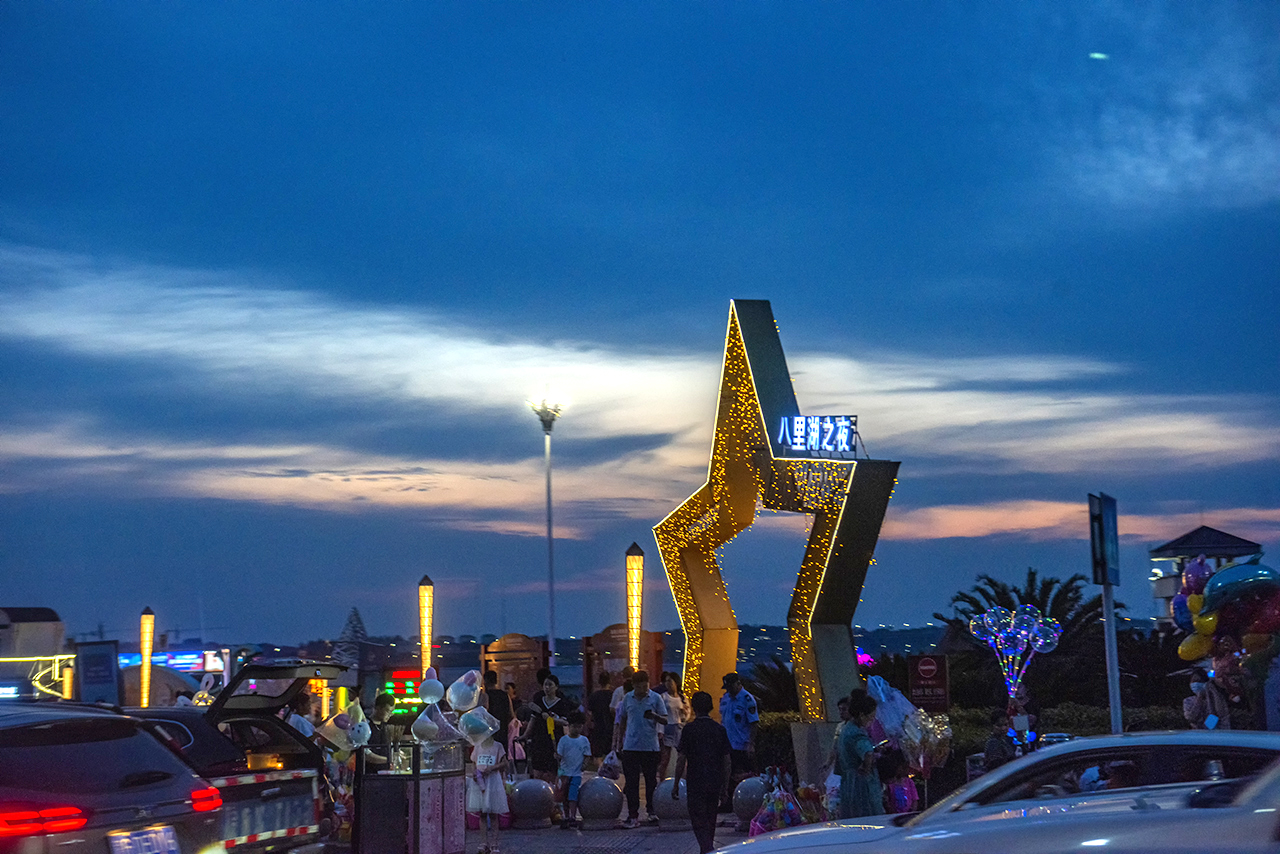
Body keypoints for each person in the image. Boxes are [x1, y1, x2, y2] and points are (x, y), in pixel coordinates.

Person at [671, 691, 731, 854]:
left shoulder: (689, 730)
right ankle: (707, 848)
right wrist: (725, 787)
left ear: (695, 708)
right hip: (714, 779)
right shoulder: (719, 730)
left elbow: (681, 759)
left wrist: (676, 783)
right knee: (711, 817)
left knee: (698, 818)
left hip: (696, 780)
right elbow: (726, 761)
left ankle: (706, 848)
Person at [615, 670, 668, 828]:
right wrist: (619, 741)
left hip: (650, 746)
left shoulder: (656, 698)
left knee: (651, 781)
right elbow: (622, 719)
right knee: (632, 782)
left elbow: (665, 720)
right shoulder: (627, 698)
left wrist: (654, 716)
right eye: (639, 687)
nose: (642, 690)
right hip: (631, 746)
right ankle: (633, 815)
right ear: (633, 686)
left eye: (645, 686)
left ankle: (651, 811)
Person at [836, 689, 883, 818]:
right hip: (861, 785)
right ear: (862, 715)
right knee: (868, 820)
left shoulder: (846, 729)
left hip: (849, 781)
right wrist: (867, 767)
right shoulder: (857, 733)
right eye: (871, 717)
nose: (872, 721)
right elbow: (867, 752)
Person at [521, 674, 575, 784]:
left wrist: (551, 719)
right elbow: (533, 720)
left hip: (554, 741)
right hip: (539, 740)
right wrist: (525, 736)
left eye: (550, 685)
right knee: (537, 772)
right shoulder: (539, 702)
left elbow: (565, 722)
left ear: (556, 687)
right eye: (545, 685)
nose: (547, 687)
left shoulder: (562, 703)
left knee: (552, 773)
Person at [467, 730, 508, 854]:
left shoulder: (498, 746)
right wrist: (475, 772)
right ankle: (483, 842)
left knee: (493, 813)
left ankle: (495, 842)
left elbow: (505, 763)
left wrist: (493, 768)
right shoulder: (478, 746)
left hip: (493, 780)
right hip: (480, 781)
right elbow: (474, 762)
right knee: (482, 813)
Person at [719, 672, 759, 779]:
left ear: (738, 684)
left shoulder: (747, 699)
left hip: (741, 745)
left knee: (742, 775)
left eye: (731, 687)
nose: (729, 691)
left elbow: (754, 723)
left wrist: (751, 744)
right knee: (727, 775)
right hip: (727, 744)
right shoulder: (726, 698)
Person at [556, 712, 591, 829]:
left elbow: (587, 755)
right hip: (564, 773)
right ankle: (566, 816)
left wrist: (585, 764)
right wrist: (557, 757)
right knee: (564, 796)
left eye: (579, 726)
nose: (576, 729)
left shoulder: (584, 740)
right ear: (569, 726)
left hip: (576, 773)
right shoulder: (563, 740)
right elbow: (559, 755)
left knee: (573, 795)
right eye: (574, 726)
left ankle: (572, 816)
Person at [659, 673, 688, 778]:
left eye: (670, 681)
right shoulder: (663, 697)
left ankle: (681, 778)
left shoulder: (682, 697)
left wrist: (683, 714)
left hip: (678, 727)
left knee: (681, 756)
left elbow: (687, 713)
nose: (668, 684)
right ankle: (662, 780)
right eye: (666, 681)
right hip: (667, 727)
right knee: (665, 757)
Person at [587, 671, 615, 766]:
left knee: (597, 755)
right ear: (610, 681)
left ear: (599, 682)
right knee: (611, 754)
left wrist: (587, 728)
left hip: (598, 728)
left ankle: (600, 773)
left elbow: (589, 714)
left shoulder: (594, 696)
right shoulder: (613, 695)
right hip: (611, 728)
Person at [365, 693, 399, 768]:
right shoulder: (365, 726)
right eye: (387, 711)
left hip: (385, 773)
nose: (389, 715)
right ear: (377, 708)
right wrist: (390, 759)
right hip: (369, 774)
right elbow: (366, 755)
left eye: (391, 712)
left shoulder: (386, 728)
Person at [878, 750, 917, 814]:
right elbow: (887, 801)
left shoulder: (909, 782)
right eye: (904, 767)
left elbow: (915, 799)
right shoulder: (888, 785)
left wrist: (912, 811)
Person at [483, 671, 513, 750]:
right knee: (503, 755)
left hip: (490, 733)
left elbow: (485, 712)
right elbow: (511, 714)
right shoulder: (505, 695)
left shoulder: (486, 696)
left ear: (485, 681)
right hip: (503, 730)